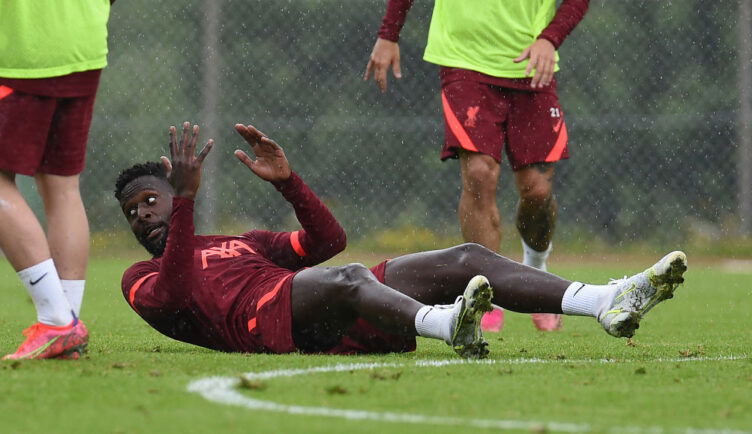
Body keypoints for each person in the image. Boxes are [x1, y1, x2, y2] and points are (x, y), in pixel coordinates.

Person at [113, 122, 687, 358]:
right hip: (272, 325)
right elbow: (178, 287)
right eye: (132, 210)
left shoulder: (240, 243)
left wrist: (291, 184)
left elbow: (327, 240)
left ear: (171, 193)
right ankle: (446, 324)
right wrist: (185, 200)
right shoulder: (138, 281)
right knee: (353, 276)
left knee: (467, 257)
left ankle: (605, 301)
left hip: (322, 300)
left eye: (152, 199)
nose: (143, 214)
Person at [364, 0, 590, 332]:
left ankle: (537, 274)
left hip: (531, 65)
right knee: (479, 174)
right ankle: (487, 294)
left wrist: (549, 39)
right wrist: (388, 35)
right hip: (464, 62)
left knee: (537, 190)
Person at [0, 0, 114, 360]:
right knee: (61, 183)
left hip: (21, 52)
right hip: (84, 45)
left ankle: (57, 323)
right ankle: (68, 326)